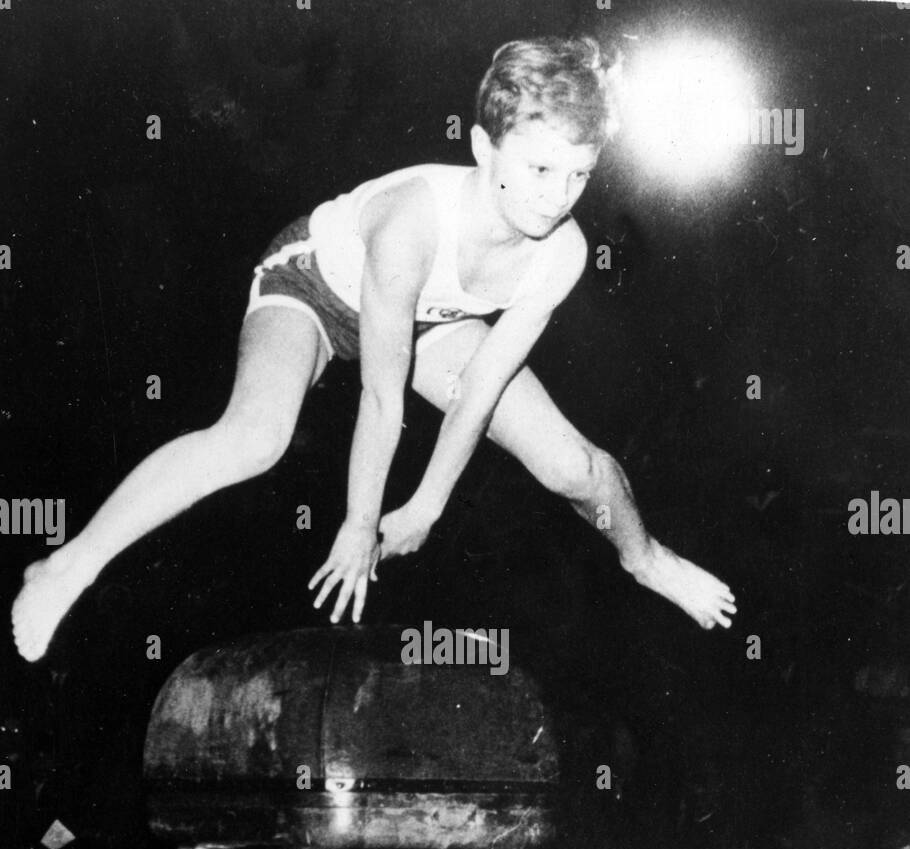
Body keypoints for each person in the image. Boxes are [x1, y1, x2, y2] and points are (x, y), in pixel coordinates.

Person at [12, 35, 736, 662]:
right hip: (319, 292)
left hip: (434, 319)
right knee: (255, 440)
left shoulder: (561, 253)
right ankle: (69, 567)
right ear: (484, 148)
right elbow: (383, 398)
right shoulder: (413, 225)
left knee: (569, 464)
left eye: (580, 174)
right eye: (541, 170)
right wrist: (361, 523)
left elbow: (481, 388)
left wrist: (424, 507)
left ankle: (646, 559)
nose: (559, 197)